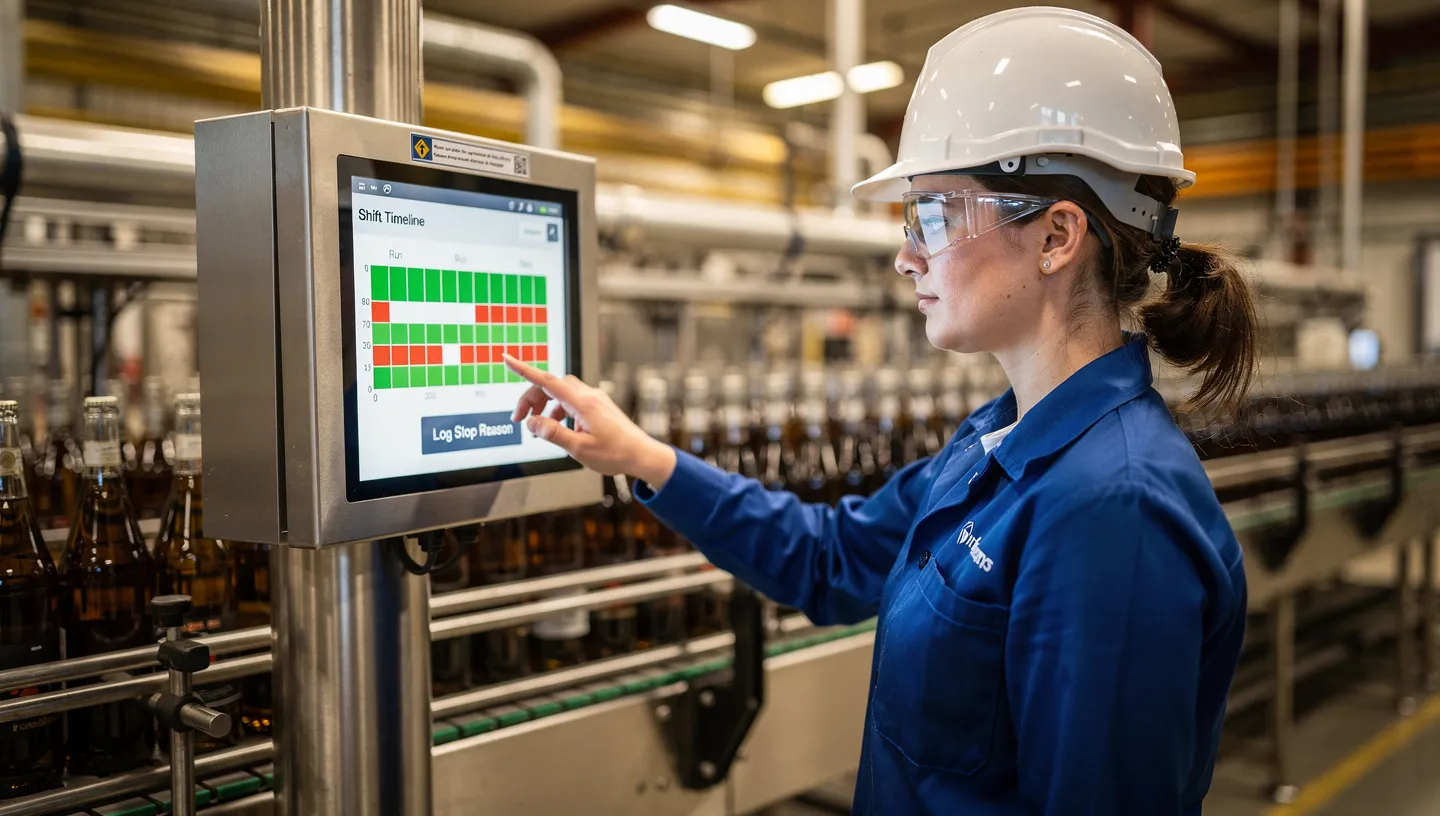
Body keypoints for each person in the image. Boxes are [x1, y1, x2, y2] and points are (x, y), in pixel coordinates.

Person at [505, 7, 1253, 814]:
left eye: (934, 213)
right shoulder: (994, 445)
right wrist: (644, 459)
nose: (906, 255)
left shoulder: (1113, 510)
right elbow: (831, 560)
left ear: (1055, 236)